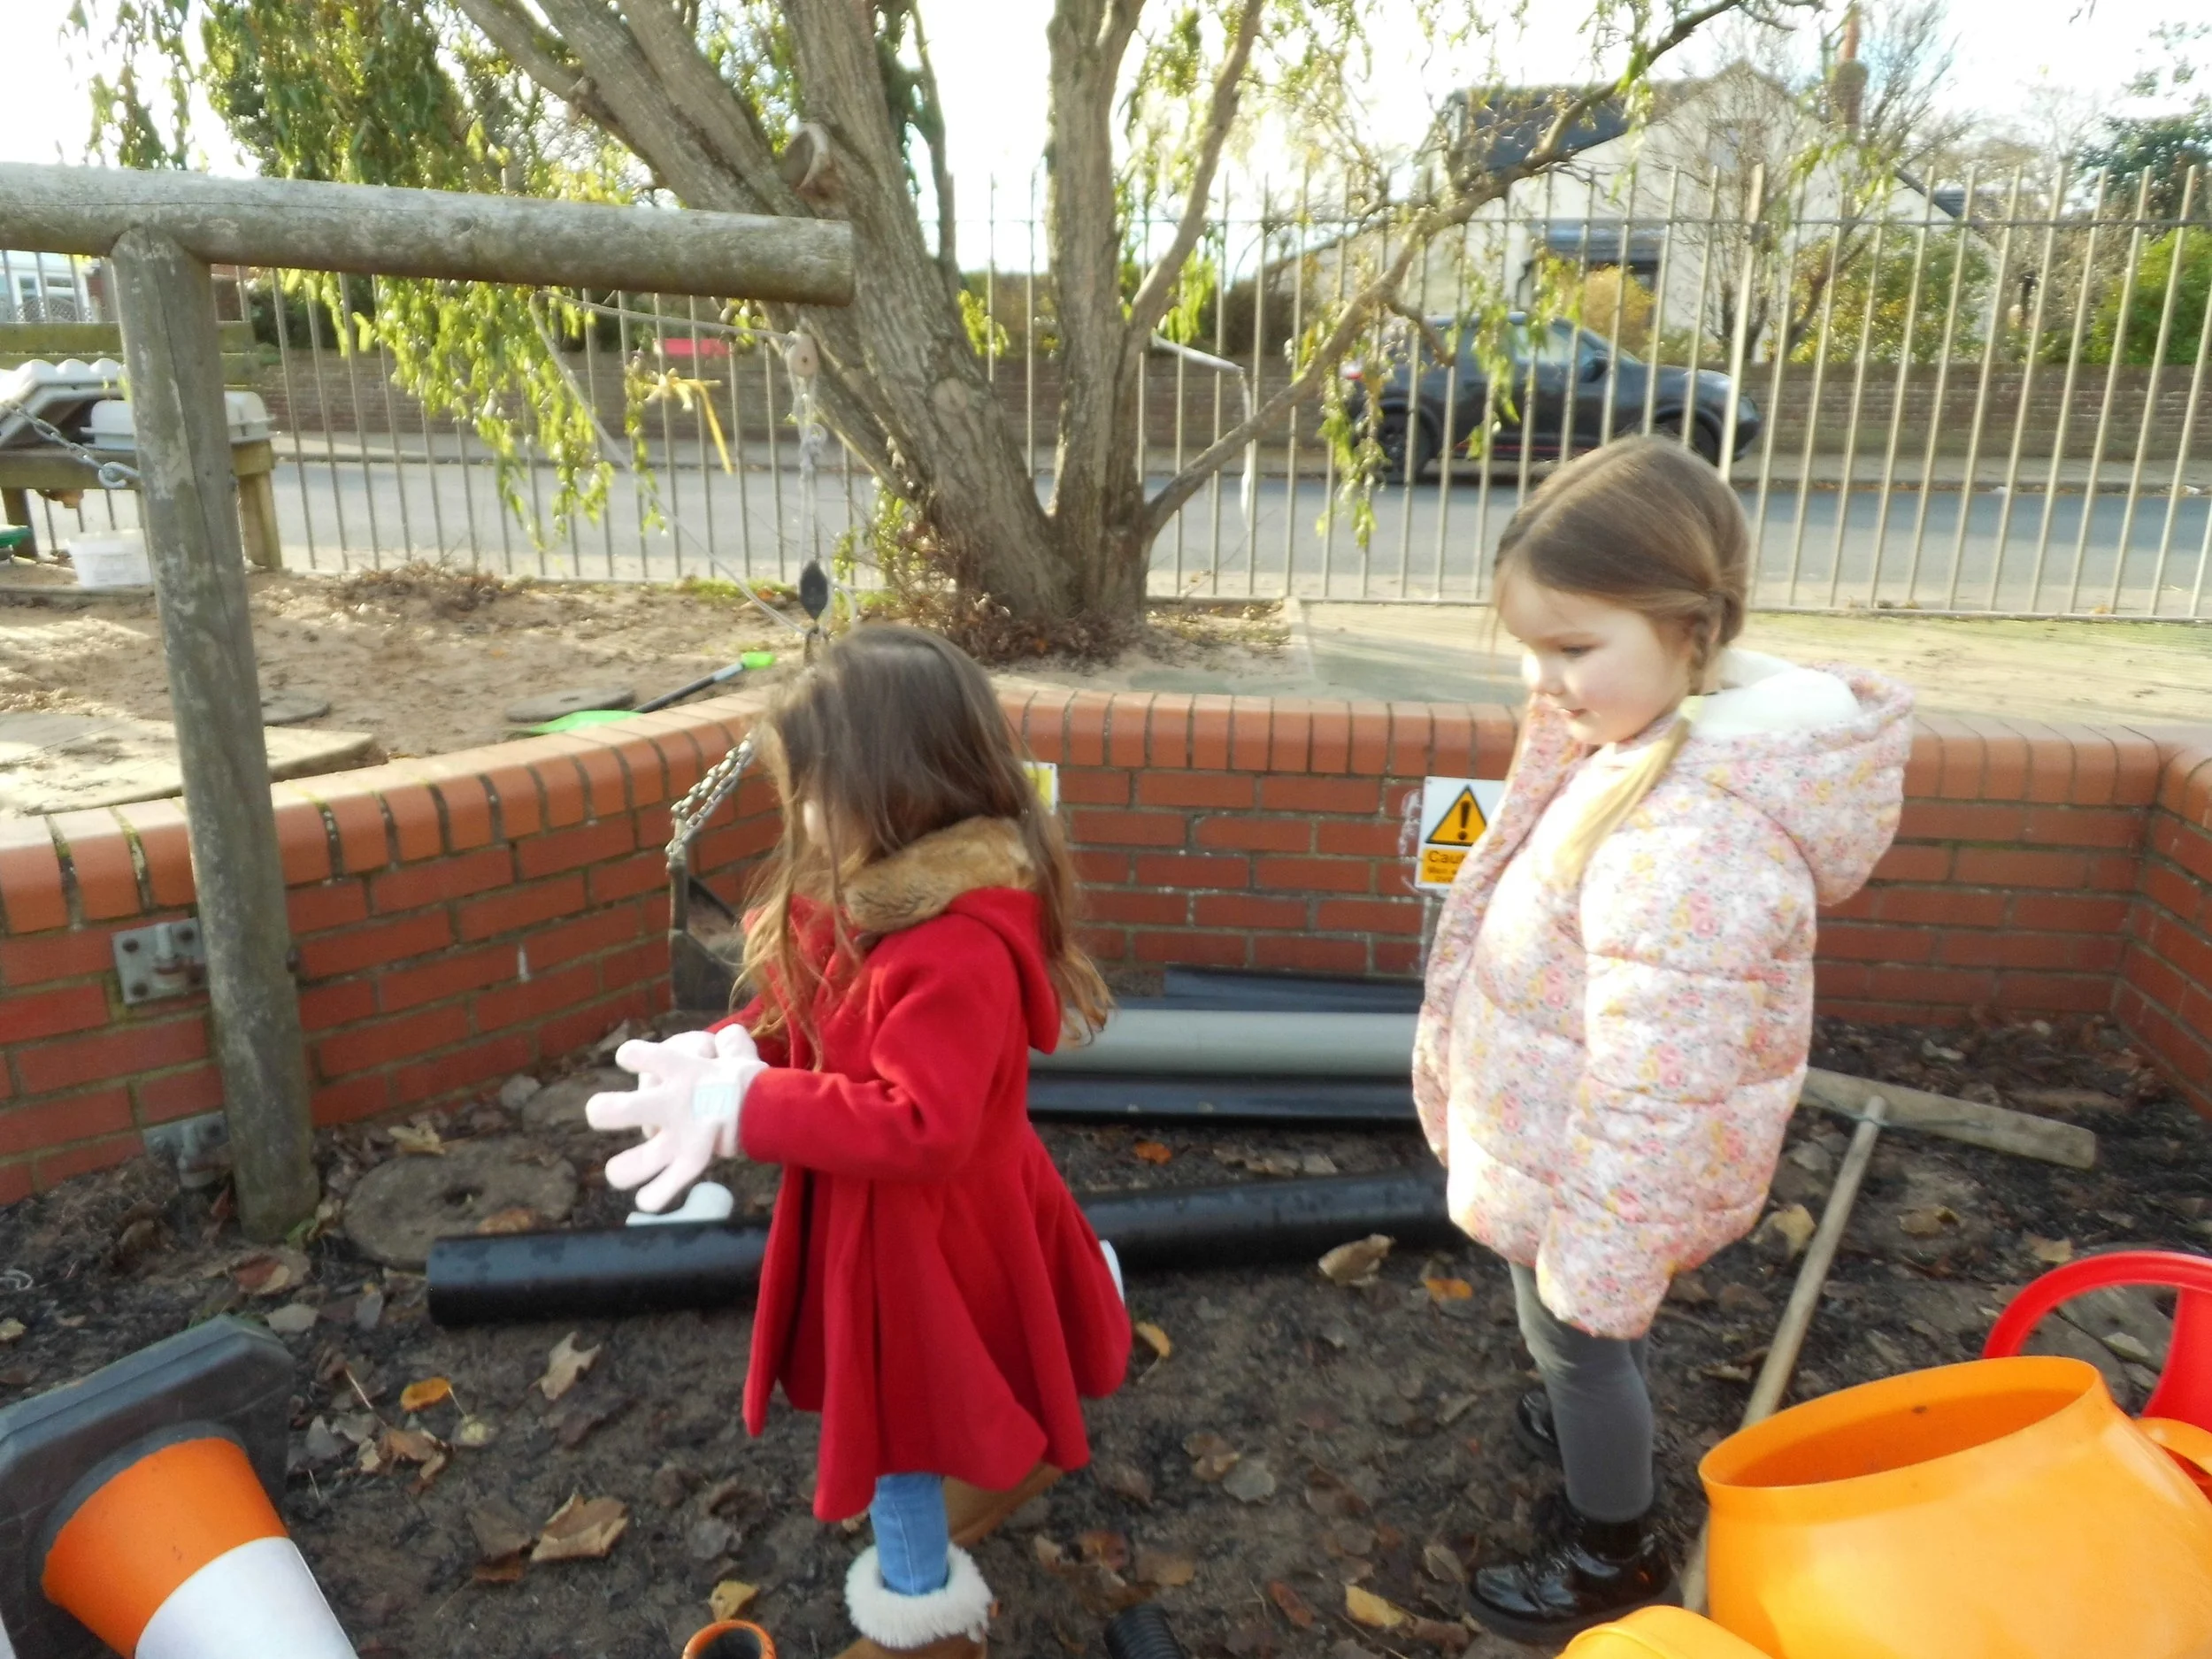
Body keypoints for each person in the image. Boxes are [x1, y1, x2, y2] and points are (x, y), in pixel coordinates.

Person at [1411, 438, 1910, 1640]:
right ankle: (1587, 1419)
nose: (1545, 680)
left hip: (1595, 1179)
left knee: (1578, 1340)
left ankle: (1611, 1546)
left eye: (1573, 648)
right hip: (1559, 1143)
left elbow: (1656, 1089)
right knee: (1574, 1347)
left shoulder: (1691, 841)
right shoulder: (1644, 737)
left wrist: (1601, 1253)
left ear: (1693, 625)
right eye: (1531, 647)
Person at [588, 626, 1132, 1659]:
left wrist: (750, 1107)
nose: (796, 816)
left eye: (808, 791)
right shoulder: (863, 902)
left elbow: (920, 1123)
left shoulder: (955, 947)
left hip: (923, 1239)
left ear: (890, 789)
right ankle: (1038, 1398)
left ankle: (925, 1623)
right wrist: (723, 1055)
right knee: (947, 1382)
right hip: (892, 1225)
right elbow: (806, 1024)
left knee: (895, 1432)